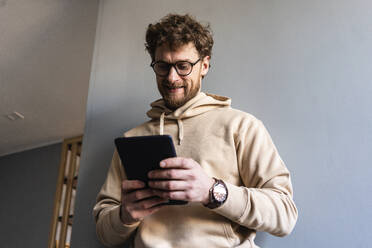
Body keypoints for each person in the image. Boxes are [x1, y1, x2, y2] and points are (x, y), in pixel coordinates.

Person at [93, 13, 298, 248]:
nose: (172, 78)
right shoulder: (132, 140)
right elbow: (105, 235)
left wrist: (212, 191)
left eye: (183, 66)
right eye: (163, 66)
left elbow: (285, 215)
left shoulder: (241, 126)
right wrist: (125, 215)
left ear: (204, 65)